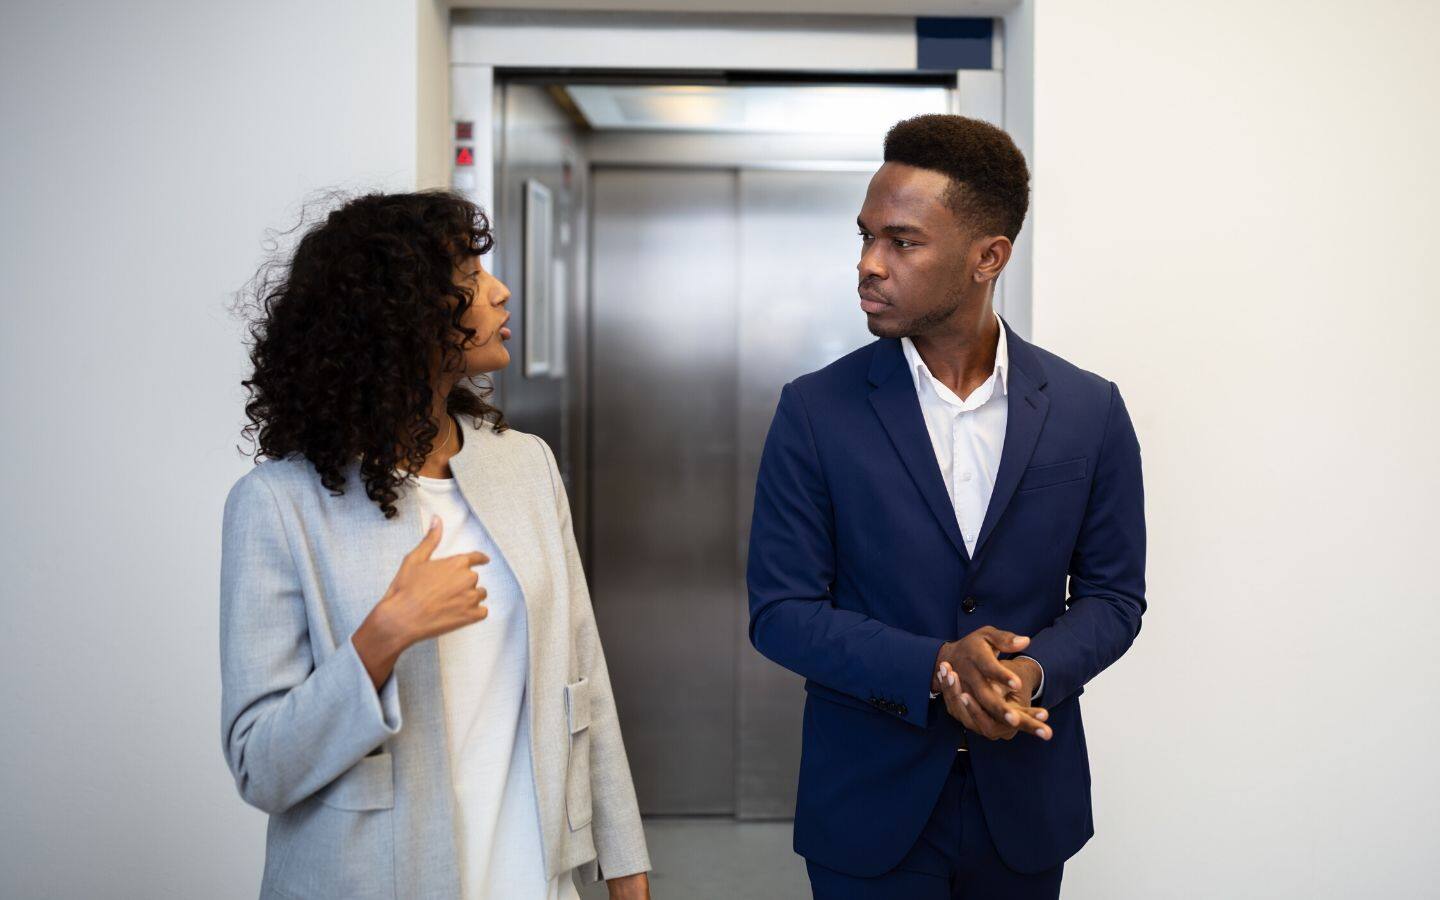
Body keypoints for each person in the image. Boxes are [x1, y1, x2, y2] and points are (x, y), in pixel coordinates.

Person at [746, 114, 1146, 899]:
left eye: (902, 242)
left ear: (987, 257)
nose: (868, 264)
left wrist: (1027, 674)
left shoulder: (1088, 409)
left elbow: (1113, 598)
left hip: (1025, 805)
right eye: (864, 237)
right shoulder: (815, 410)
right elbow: (782, 611)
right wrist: (935, 667)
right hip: (867, 804)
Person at [220, 191, 651, 899]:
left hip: (534, 879)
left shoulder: (526, 465)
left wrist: (627, 874)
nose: (499, 290)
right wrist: (382, 637)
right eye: (470, 280)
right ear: (397, 317)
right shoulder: (277, 506)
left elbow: (587, 689)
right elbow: (261, 767)